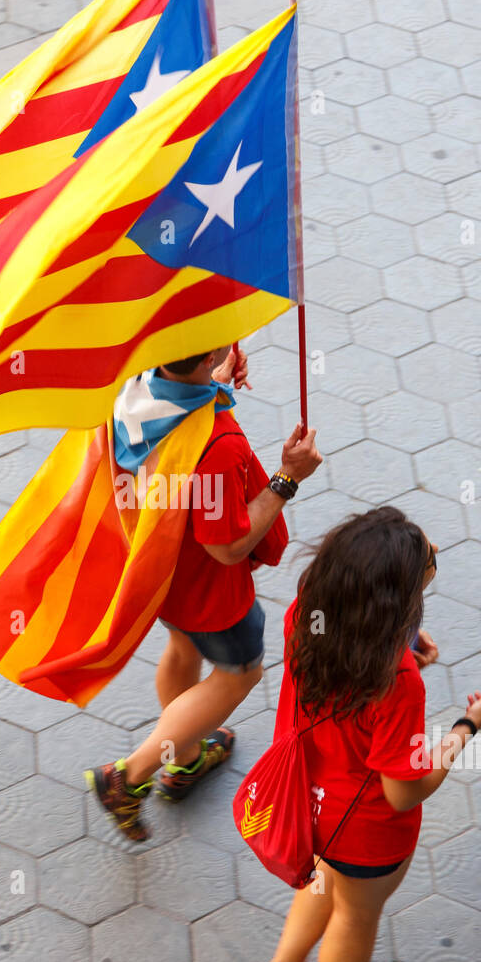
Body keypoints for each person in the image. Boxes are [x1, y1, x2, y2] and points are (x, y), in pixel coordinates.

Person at [240, 506, 481, 962]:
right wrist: (464, 728)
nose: (432, 564)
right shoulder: (396, 682)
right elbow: (402, 788)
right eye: (428, 563)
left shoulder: (303, 616)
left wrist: (400, 642)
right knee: (355, 917)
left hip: (302, 803)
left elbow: (342, 674)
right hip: (361, 831)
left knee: (318, 888)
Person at [86, 343, 324, 842]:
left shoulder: (132, 387)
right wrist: (287, 478)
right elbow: (230, 546)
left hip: (160, 570)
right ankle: (128, 778)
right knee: (238, 674)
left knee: (182, 644)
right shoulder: (217, 445)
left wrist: (210, 373)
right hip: (211, 591)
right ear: (203, 357)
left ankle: (186, 755)